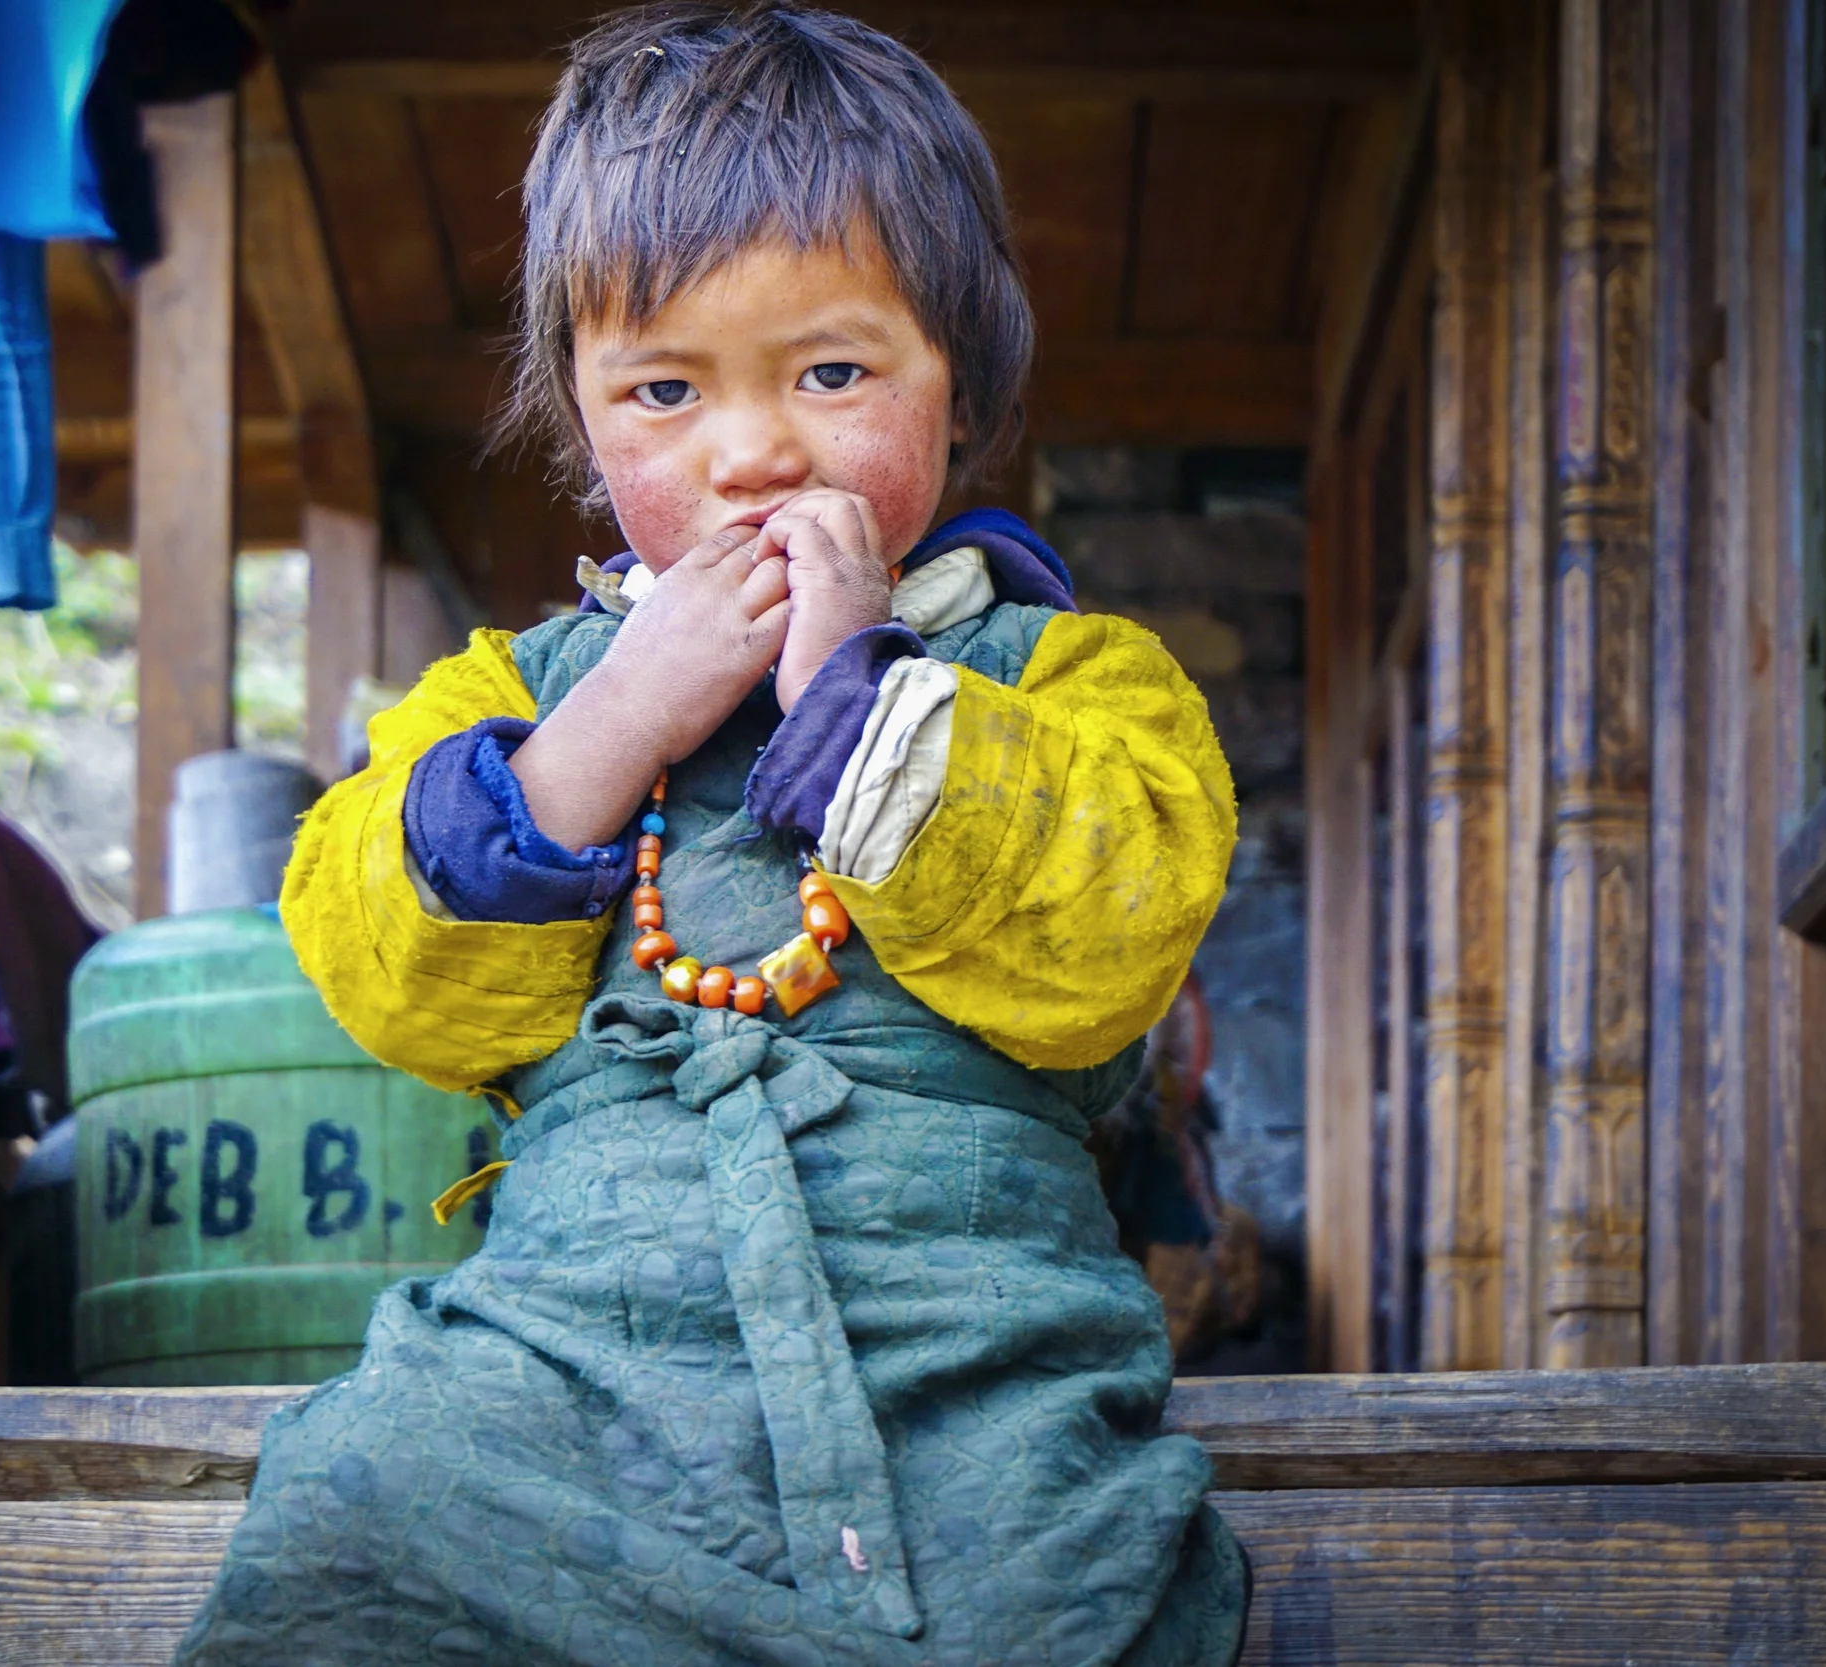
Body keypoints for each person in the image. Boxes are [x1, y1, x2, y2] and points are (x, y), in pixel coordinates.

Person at [178, 6, 1246, 1662]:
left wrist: (860, 702)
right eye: (665, 388)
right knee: (363, 1504)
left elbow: (1116, 942)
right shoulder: (505, 691)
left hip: (964, 1353)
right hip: (564, 1370)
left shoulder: (1071, 678)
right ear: (583, 419)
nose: (752, 452)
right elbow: (380, 968)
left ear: (957, 384)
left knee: (1070, 1582)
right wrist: (609, 721)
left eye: (832, 371)